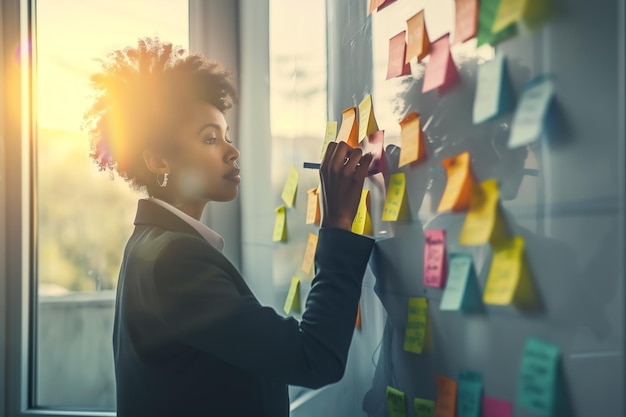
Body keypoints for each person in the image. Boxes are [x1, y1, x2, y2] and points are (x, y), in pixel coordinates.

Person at [83, 37, 374, 417]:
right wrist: (336, 224)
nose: (232, 150)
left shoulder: (150, 244)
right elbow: (313, 357)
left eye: (227, 136)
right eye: (209, 138)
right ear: (159, 161)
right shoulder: (174, 259)